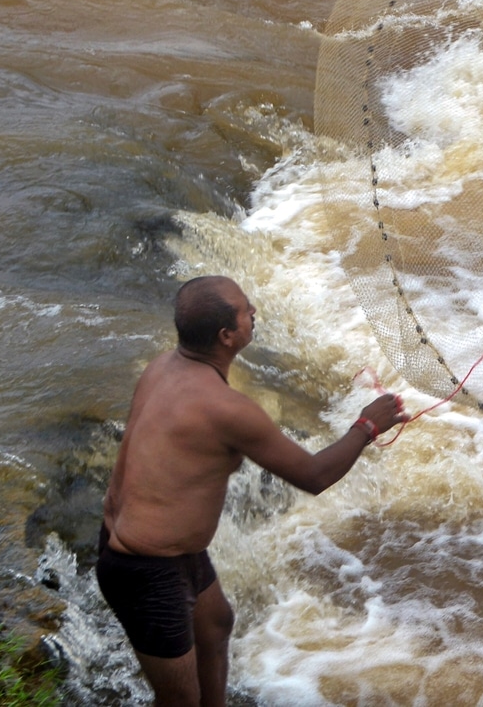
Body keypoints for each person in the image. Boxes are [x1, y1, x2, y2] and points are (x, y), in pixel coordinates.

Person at [98, 275, 407, 707]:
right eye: (246, 310)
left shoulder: (162, 367)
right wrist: (367, 426)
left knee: (216, 623)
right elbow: (315, 476)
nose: (254, 312)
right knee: (178, 700)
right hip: (145, 570)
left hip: (162, 547)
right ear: (227, 336)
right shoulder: (228, 410)